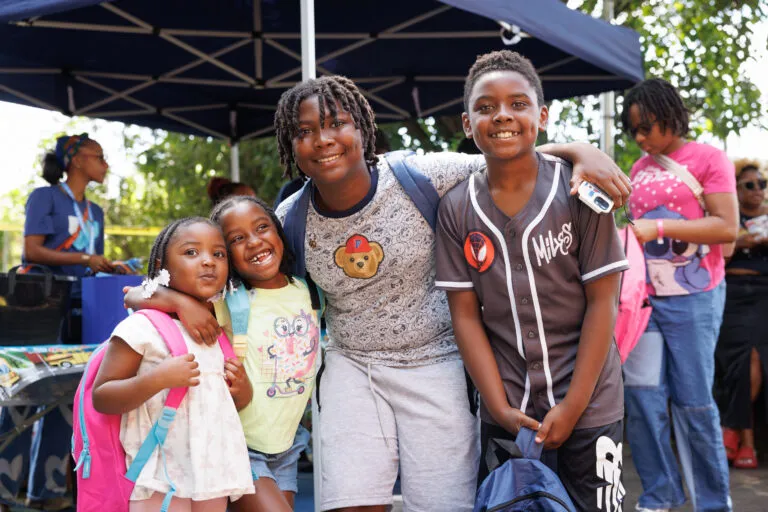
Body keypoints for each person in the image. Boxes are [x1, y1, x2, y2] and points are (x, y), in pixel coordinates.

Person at [268, 75, 630, 512]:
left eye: (336, 123)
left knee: (443, 504)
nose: (323, 140)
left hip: (437, 362)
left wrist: (580, 151)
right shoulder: (290, 219)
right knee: (351, 501)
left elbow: (508, 155)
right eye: (304, 132)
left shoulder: (421, 176)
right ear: (291, 145)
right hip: (353, 365)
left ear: (362, 130)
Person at [435, 50, 628, 511]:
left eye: (517, 104)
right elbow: (465, 316)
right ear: (467, 124)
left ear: (541, 116)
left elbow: (604, 304)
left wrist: (574, 404)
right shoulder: (456, 208)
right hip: (509, 412)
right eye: (485, 107)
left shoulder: (581, 192)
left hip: (592, 405)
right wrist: (497, 406)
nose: (502, 115)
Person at [125, 197, 323, 512]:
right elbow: (135, 295)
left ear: (278, 232)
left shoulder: (308, 291)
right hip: (239, 444)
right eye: (237, 240)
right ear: (227, 257)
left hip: (287, 445)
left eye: (262, 228)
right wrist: (181, 303)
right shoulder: (228, 300)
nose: (255, 241)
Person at [621, 78, 739, 512]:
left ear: (670, 117)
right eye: (633, 130)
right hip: (645, 305)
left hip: (695, 298)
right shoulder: (637, 168)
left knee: (693, 402)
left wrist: (662, 228)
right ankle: (658, 495)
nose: (640, 138)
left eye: (646, 127)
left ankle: (711, 501)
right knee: (643, 397)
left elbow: (727, 227)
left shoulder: (708, 158)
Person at [92, 217, 254, 511]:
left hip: (212, 476)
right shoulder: (144, 328)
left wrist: (243, 390)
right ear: (159, 267)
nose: (208, 262)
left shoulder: (218, 333)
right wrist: (157, 378)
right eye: (192, 252)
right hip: (159, 477)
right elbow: (102, 396)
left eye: (218, 254)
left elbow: (227, 405)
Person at [0, 133, 113, 509]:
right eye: (98, 157)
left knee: (67, 394)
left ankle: (45, 491)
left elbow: (91, 258)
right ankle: (4, 488)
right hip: (42, 310)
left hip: (83, 308)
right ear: (77, 160)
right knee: (23, 394)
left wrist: (106, 265)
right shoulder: (44, 197)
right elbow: (31, 249)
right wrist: (85, 261)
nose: (105, 164)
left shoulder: (94, 211)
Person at [716, 160, 768, 470]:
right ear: (735, 188)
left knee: (755, 358)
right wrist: (744, 239)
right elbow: (716, 249)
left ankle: (735, 433)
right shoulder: (724, 216)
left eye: (762, 184)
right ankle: (742, 440)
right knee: (739, 360)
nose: (758, 190)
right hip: (731, 293)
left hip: (763, 294)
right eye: (750, 185)